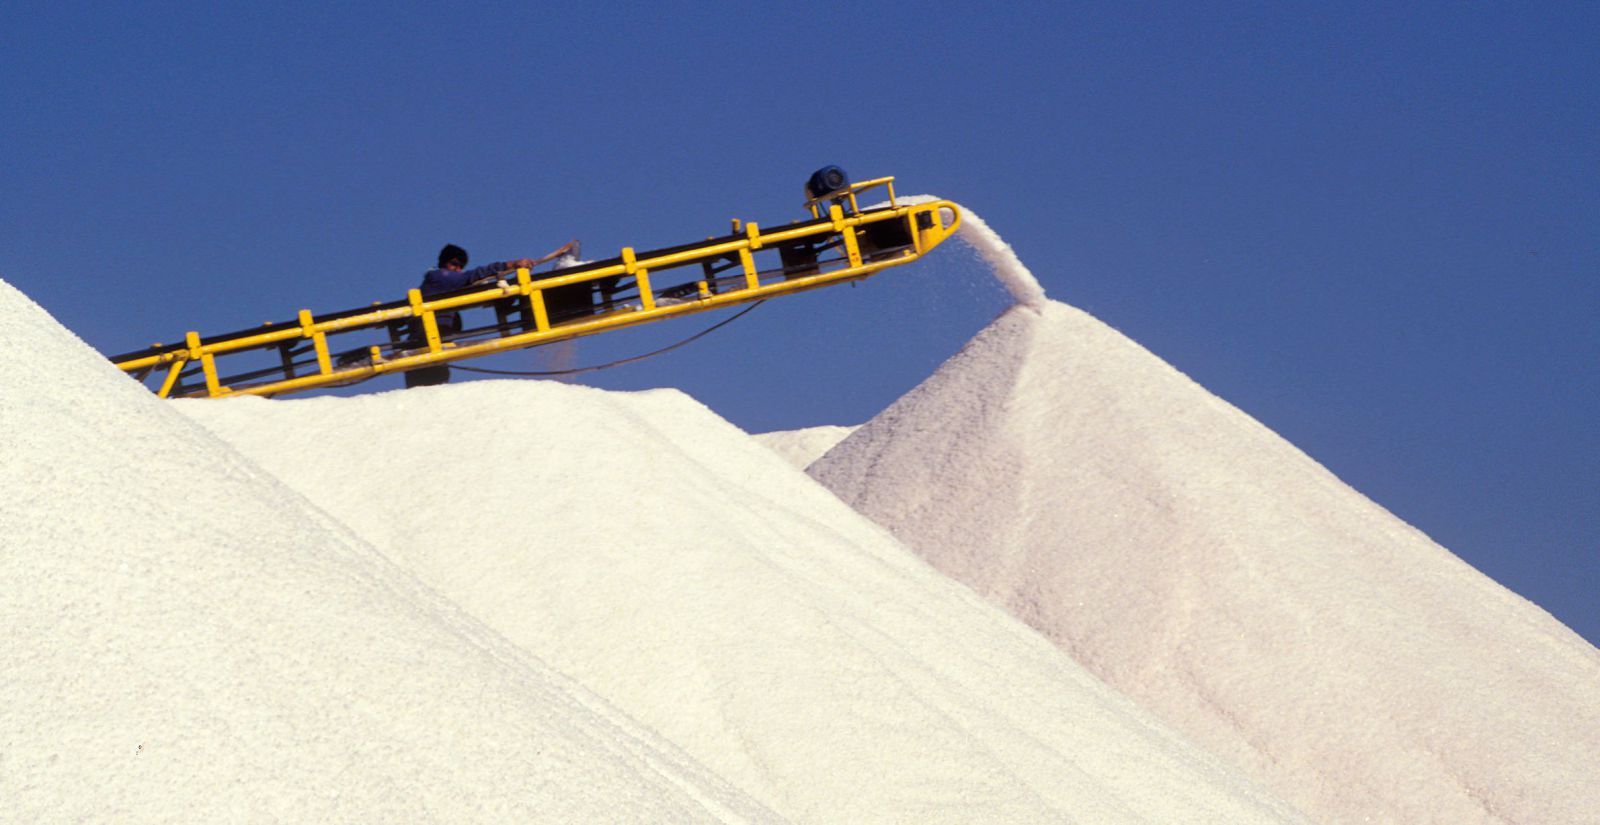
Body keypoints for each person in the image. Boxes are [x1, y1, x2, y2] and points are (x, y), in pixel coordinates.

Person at [405, 240, 578, 388]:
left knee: (433, 386)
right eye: (454, 264)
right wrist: (509, 265)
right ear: (444, 263)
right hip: (423, 342)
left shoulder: (448, 286)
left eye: (460, 266)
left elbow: (473, 285)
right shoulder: (440, 276)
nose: (457, 269)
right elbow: (472, 276)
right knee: (429, 389)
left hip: (430, 344)